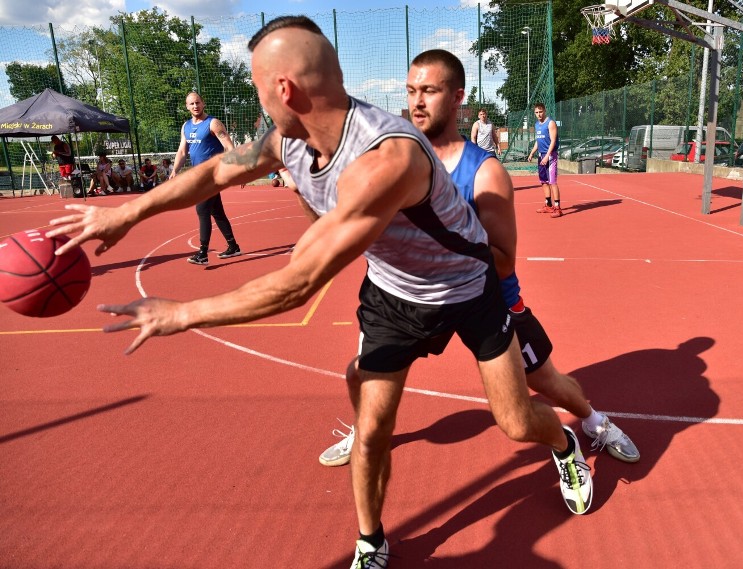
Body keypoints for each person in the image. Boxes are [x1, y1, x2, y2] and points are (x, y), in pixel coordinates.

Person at [48, 17, 590, 569]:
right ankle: (371, 539)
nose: (261, 105)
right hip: (394, 295)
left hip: (465, 288)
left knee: (517, 422)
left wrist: (182, 312)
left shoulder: (386, 159)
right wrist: (127, 211)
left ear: (284, 89)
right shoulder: (289, 139)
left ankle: (565, 446)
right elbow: (215, 173)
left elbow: (301, 281)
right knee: (372, 429)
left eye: (260, 91)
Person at [321, 49, 638, 469]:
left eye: (429, 91)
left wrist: (428, 240)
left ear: (457, 98)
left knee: (544, 382)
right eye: (411, 91)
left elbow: (503, 261)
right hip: (413, 301)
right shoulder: (390, 159)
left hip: (488, 299)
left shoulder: (483, 172)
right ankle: (365, 433)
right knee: (362, 373)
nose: (417, 101)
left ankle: (594, 422)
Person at [172, 91, 241, 265]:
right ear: (187, 106)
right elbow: (182, 151)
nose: (195, 106)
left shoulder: (213, 123)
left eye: (198, 103)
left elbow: (228, 145)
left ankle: (202, 253)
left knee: (202, 210)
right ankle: (233, 246)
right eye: (191, 104)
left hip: (212, 175)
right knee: (216, 211)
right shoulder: (186, 126)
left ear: (203, 103)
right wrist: (174, 171)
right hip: (198, 175)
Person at [526, 102, 563, 218]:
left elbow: (552, 141)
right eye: (536, 112)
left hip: (551, 156)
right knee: (543, 181)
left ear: (545, 111)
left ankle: (558, 208)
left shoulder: (550, 123)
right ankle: (548, 205)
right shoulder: (537, 125)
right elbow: (538, 141)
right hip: (541, 155)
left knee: (552, 182)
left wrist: (547, 155)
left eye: (540, 112)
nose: (539, 114)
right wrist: (532, 153)